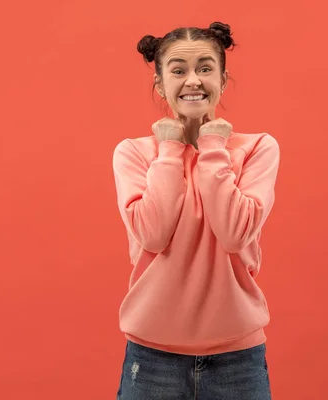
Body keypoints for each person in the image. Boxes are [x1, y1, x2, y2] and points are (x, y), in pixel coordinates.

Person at [112, 21, 280, 400]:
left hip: (237, 356)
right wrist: (170, 150)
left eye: (205, 68)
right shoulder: (134, 153)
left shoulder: (257, 149)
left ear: (223, 78)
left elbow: (235, 232)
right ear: (160, 84)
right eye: (178, 70)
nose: (193, 80)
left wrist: (213, 145)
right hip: (152, 355)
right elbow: (153, 234)